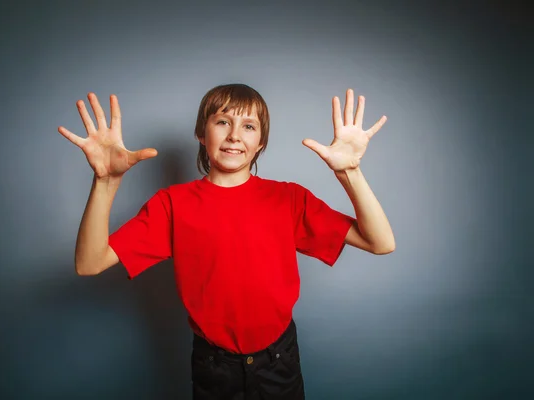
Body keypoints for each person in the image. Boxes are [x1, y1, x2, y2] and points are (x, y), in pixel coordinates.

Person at [58, 84, 395, 399]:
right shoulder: (172, 204)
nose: (235, 135)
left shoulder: (288, 198)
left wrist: (349, 172)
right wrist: (105, 181)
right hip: (213, 367)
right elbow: (90, 263)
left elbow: (380, 242)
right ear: (201, 134)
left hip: (280, 360)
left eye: (249, 126)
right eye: (223, 121)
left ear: (261, 141)